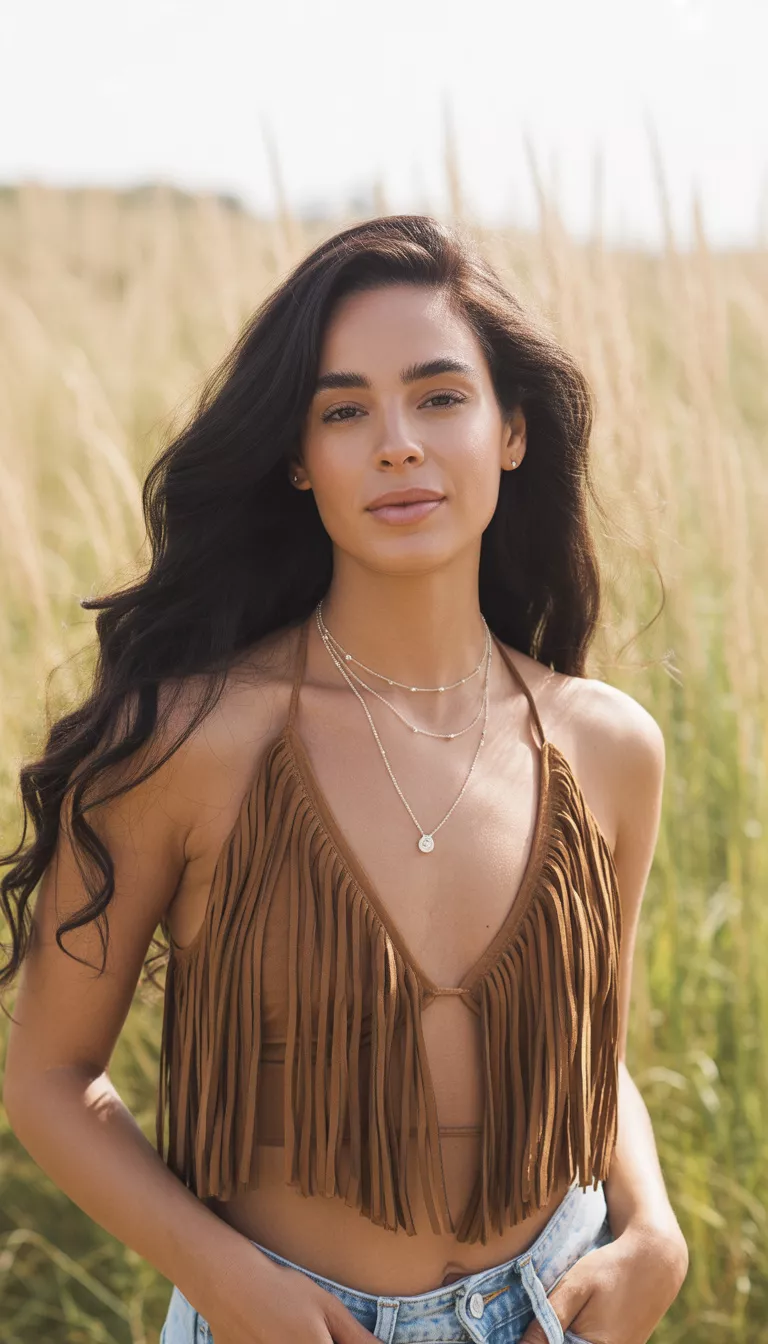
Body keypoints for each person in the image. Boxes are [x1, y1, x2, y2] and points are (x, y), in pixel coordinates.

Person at [1, 215, 688, 1344]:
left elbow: (587, 1048)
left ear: (511, 431)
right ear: (297, 458)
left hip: (551, 1308)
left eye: (440, 397)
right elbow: (50, 1077)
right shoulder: (180, 743)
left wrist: (652, 1225)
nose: (398, 444)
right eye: (343, 411)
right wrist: (225, 1283)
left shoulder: (609, 748)